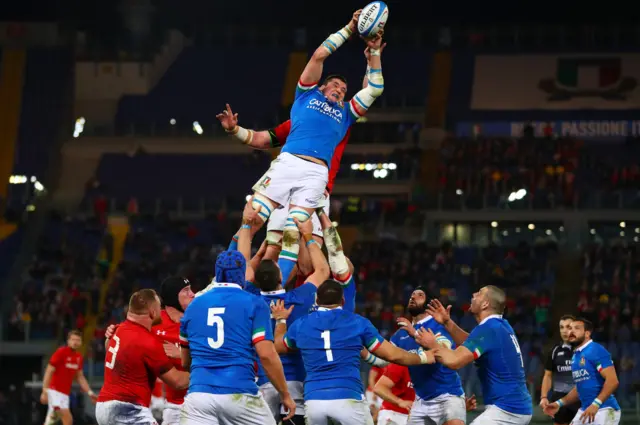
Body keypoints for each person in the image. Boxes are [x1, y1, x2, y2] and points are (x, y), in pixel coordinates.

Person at [217, 9, 385, 286]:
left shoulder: (346, 113)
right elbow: (261, 139)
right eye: (335, 85)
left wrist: (375, 54)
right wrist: (234, 130)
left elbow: (375, 89)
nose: (341, 90)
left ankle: (278, 297)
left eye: (344, 89)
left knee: (298, 239)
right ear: (320, 86)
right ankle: (223, 279)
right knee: (254, 219)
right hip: (289, 163)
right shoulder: (304, 100)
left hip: (317, 177)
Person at [271, 280, 435, 425]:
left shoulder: (301, 324)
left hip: (314, 401)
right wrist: (422, 357)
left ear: (317, 300)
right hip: (348, 397)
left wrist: (280, 319)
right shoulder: (357, 322)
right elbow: (392, 355)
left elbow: (278, 347)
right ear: (342, 301)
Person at [236, 202, 330, 424]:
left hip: (260, 379)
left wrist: (247, 225)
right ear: (280, 276)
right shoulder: (297, 298)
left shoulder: (250, 298)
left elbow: (243, 264)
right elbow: (323, 270)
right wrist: (307, 236)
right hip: (294, 379)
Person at [179, 250, 296, 425]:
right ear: (241, 274)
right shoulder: (254, 303)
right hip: (239, 392)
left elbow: (185, 362)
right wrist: (285, 395)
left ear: (217, 273)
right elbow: (266, 355)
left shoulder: (194, 306)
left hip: (199, 396)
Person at [415, 287, 533, 425]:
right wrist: (447, 323)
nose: (473, 294)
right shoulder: (499, 326)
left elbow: (454, 361)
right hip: (514, 407)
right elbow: (470, 343)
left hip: (508, 410)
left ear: (485, 304)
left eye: (479, 293)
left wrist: (433, 344)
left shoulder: (489, 329)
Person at [104, 277, 197, 425]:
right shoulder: (154, 321)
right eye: (186, 290)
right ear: (173, 297)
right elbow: (117, 344)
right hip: (176, 406)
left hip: (205, 400)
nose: (193, 294)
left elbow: (218, 356)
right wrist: (110, 335)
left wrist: (181, 354)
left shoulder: (203, 319)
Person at [391, 287, 466, 425]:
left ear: (429, 303)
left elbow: (446, 350)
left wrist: (415, 334)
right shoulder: (401, 334)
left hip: (448, 395)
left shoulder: (438, 324)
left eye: (419, 295)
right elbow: (382, 358)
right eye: (412, 295)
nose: (413, 297)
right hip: (421, 400)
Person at [543, 318, 621, 425]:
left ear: (587, 333)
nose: (571, 331)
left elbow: (613, 381)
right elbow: (579, 388)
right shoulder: (576, 356)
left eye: (577, 328)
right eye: (570, 328)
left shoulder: (596, 350)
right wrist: (559, 403)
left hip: (604, 409)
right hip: (585, 410)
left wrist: (595, 404)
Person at [40, 330, 97, 425]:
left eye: (78, 340)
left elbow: (80, 377)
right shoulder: (61, 352)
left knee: (52, 421)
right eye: (73, 339)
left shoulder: (79, 357)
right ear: (68, 341)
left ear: (81, 342)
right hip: (54, 392)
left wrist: (90, 393)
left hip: (65, 395)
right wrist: (44, 391)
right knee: (67, 418)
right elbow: (49, 371)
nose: (75, 342)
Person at [540, 315, 580, 425]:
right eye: (561, 327)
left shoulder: (584, 350)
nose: (564, 331)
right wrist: (544, 397)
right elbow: (547, 375)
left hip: (580, 401)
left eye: (568, 327)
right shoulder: (554, 351)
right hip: (559, 401)